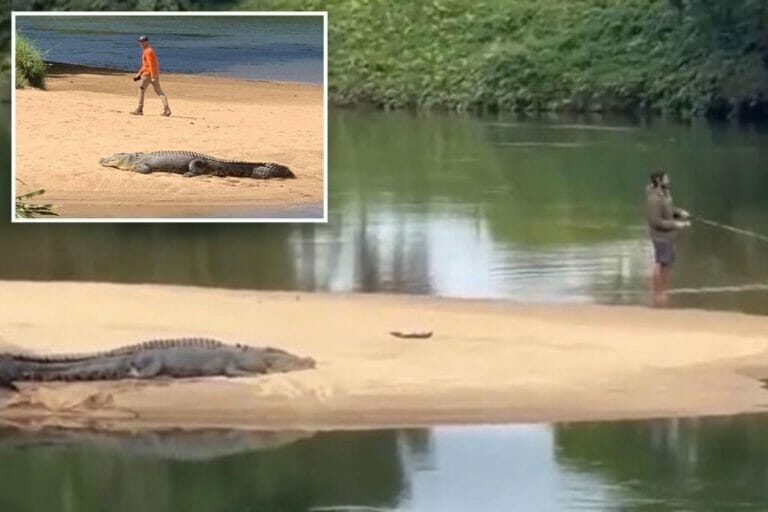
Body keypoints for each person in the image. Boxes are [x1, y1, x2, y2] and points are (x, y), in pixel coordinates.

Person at [646, 170, 690, 307]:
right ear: (659, 181)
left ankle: (663, 293)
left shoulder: (665, 195)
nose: (668, 180)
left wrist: (679, 213)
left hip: (669, 236)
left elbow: (668, 211)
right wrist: (677, 224)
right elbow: (656, 221)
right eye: (666, 178)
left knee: (666, 265)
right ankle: (658, 294)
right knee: (661, 264)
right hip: (661, 237)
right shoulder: (654, 199)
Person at [131, 35, 171, 116]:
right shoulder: (148, 50)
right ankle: (167, 109)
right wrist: (139, 73)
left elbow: (151, 64)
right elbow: (145, 65)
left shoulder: (148, 51)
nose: (141, 43)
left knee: (141, 90)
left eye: (143, 41)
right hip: (152, 73)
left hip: (148, 74)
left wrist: (152, 76)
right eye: (140, 41)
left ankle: (139, 109)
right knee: (159, 91)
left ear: (147, 41)